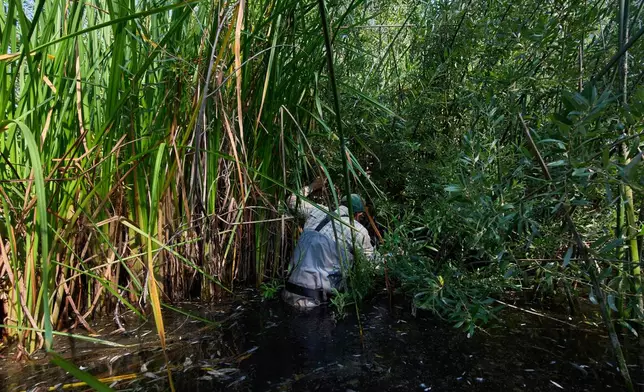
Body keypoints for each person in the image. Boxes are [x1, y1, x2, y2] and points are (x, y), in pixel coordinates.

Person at [283, 178, 375, 308]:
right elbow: (370, 265)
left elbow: (292, 200)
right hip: (314, 303)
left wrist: (313, 186)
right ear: (358, 215)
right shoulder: (358, 231)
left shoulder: (317, 210)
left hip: (288, 293)